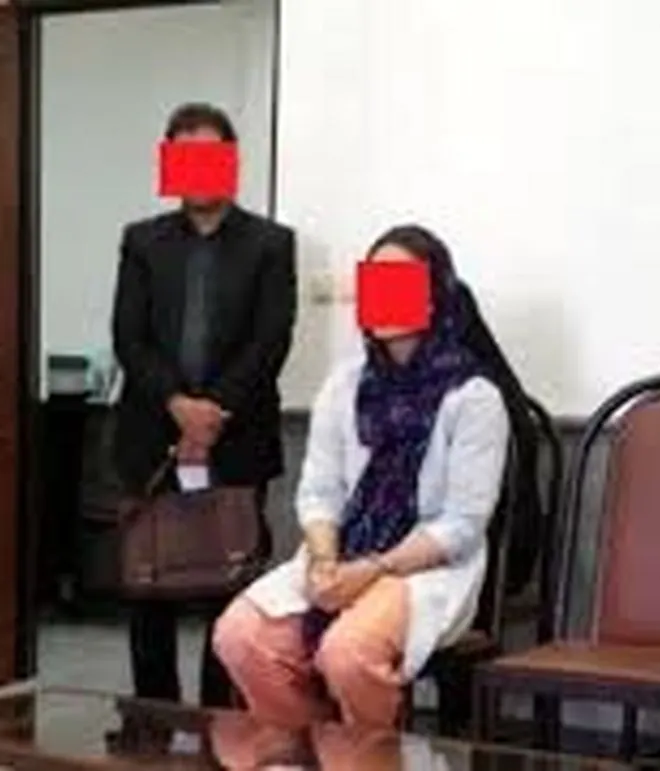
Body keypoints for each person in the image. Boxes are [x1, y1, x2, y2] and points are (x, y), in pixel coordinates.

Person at [212, 225, 511, 728]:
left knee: (347, 652)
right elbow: (319, 491)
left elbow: (461, 525)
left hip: (424, 570)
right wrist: (326, 561)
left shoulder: (474, 397)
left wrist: (372, 569)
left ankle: (368, 757)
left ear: (435, 297)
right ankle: (314, 751)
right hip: (342, 553)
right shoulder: (345, 385)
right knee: (239, 636)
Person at [110, 102, 297, 708]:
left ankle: (223, 728)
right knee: (149, 587)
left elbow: (271, 339)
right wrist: (177, 405)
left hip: (237, 437)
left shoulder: (271, 244)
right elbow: (128, 336)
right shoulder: (142, 241)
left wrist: (213, 410)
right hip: (152, 436)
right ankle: (154, 722)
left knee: (231, 587)